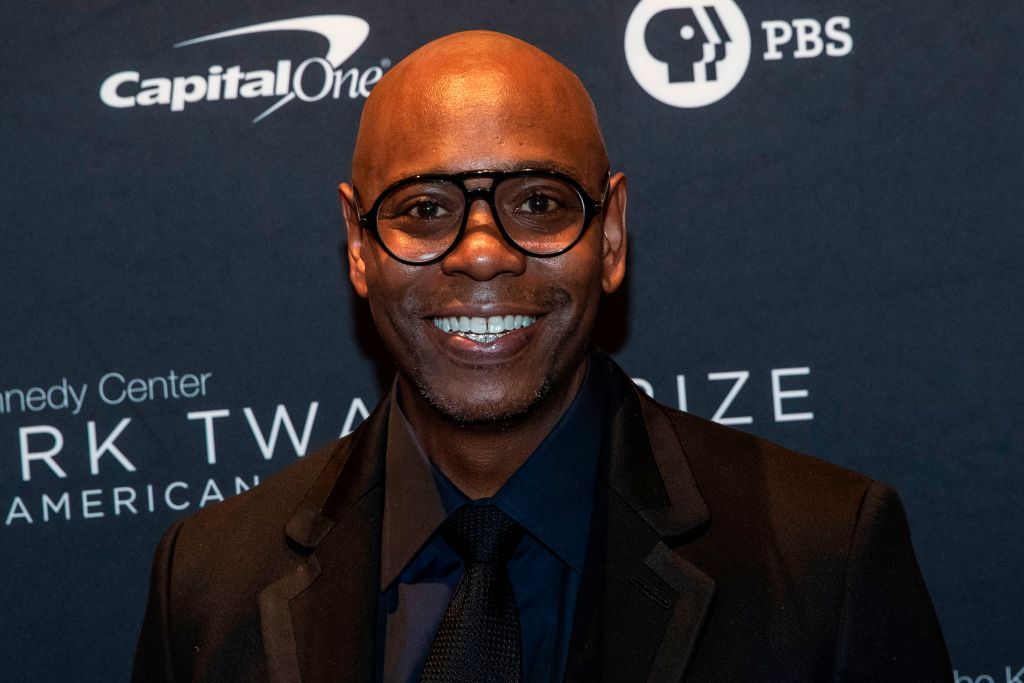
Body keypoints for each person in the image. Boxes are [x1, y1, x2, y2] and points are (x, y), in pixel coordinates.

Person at [132, 31, 952, 682]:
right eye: (423, 208)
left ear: (613, 233)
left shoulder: (826, 561)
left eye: (538, 202)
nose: (483, 253)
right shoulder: (208, 587)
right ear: (357, 243)